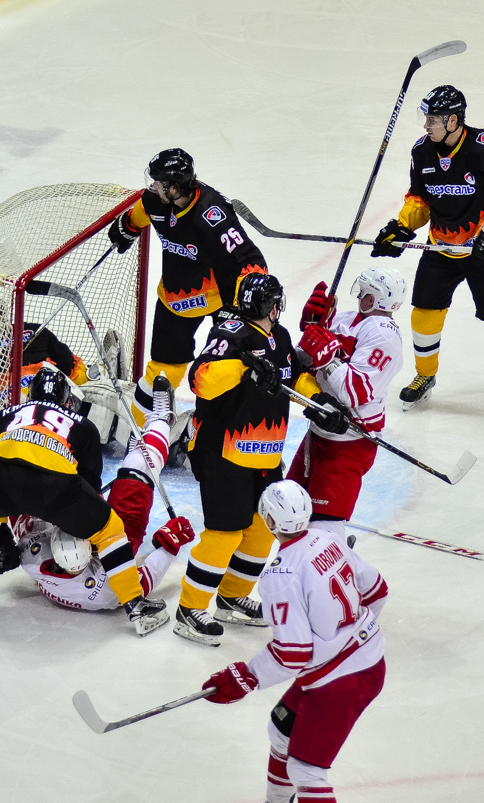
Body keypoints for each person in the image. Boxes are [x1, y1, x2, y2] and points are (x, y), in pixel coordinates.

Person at [0, 364, 169, 636]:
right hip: (56, 487)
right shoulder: (83, 425)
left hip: (2, 478)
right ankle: (135, 604)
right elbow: (88, 488)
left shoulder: (3, 415)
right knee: (110, 529)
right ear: (67, 400)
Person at [176, 273, 344, 646]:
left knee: (262, 529)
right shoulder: (230, 334)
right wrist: (242, 366)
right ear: (271, 306)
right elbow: (201, 380)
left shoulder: (278, 336)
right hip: (222, 454)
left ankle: (231, 597)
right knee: (224, 534)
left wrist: (319, 403)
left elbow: (293, 376)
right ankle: (189, 609)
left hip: (265, 454)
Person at [370, 84, 484, 433]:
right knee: (423, 317)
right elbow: (420, 199)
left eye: (433, 119)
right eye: (426, 118)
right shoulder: (422, 151)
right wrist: (402, 227)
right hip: (441, 249)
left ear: (453, 120)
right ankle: (425, 376)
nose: (426, 125)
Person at [201, 480, 388, 803]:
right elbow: (377, 590)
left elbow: (293, 654)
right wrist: (352, 636)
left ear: (268, 520)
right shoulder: (328, 539)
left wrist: (247, 676)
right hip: (367, 661)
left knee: (306, 771)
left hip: (340, 681)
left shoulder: (280, 575)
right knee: (281, 731)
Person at [107, 148, 267, 427]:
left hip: (220, 299)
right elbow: (139, 215)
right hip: (175, 298)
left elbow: (249, 258)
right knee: (163, 370)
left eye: (159, 182)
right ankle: (140, 430)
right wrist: (127, 227)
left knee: (220, 370)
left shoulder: (212, 213)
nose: (153, 186)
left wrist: (252, 292)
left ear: (174, 187)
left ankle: (211, 429)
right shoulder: (154, 201)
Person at [13, 394, 196, 616]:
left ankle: (147, 435)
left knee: (54, 478)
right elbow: (146, 579)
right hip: (111, 542)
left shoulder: (31, 554)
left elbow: (18, 505)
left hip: (73, 513)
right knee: (139, 469)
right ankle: (161, 420)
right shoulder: (108, 589)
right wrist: (169, 542)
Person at [291, 266, 406, 545]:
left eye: (364, 292)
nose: (359, 296)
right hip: (317, 434)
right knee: (288, 517)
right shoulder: (345, 320)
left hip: (349, 444)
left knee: (323, 534)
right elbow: (303, 362)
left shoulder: (385, 336)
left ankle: (341, 555)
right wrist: (312, 328)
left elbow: (353, 392)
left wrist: (327, 357)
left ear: (373, 298)